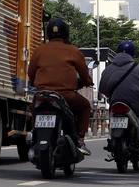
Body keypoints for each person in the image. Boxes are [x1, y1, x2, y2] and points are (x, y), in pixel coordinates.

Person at [27, 17, 94, 155]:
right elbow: (84, 75)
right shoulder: (73, 51)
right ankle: (80, 140)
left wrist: (36, 83)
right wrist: (87, 82)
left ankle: (35, 132)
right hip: (66, 96)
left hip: (42, 94)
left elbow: (31, 74)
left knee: (34, 107)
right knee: (85, 106)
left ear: (48, 34)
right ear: (66, 34)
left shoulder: (39, 50)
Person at [98, 40, 139, 152]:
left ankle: (112, 138)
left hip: (115, 101)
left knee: (113, 116)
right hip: (135, 102)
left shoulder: (108, 69)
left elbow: (102, 88)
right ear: (132, 53)